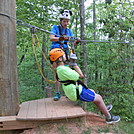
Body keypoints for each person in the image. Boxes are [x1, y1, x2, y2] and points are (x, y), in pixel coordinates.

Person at [49, 48, 120, 124]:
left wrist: (70, 63)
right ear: (60, 58)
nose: (65, 56)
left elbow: (68, 71)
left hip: (74, 89)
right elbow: (80, 75)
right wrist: (75, 65)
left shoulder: (60, 68)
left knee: (92, 92)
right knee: (99, 98)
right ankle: (109, 118)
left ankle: (103, 109)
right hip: (76, 92)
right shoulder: (63, 70)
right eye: (64, 55)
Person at [50, 9, 80, 101]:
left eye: (67, 21)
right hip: (56, 51)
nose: (66, 23)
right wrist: (60, 37)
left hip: (65, 51)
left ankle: (68, 92)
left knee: (67, 71)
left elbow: (71, 43)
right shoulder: (55, 28)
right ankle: (58, 92)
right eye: (64, 21)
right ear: (61, 21)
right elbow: (51, 38)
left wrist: (76, 42)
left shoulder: (69, 31)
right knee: (57, 72)